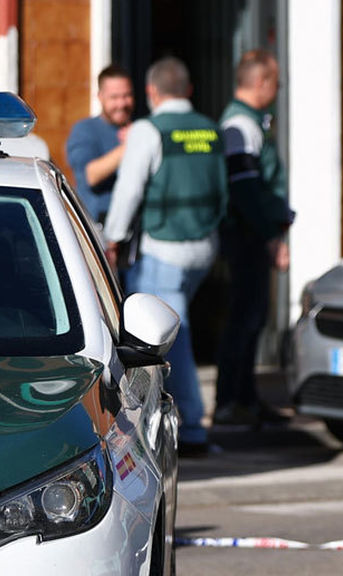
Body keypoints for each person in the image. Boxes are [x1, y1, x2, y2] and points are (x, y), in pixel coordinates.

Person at [104, 57, 228, 457]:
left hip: (164, 249)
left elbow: (129, 191)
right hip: (203, 247)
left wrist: (113, 238)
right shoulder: (211, 129)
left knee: (169, 338)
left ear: (152, 92)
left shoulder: (148, 129)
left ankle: (191, 426)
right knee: (177, 329)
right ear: (188, 90)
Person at [212, 49, 294, 428]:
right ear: (260, 82)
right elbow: (246, 191)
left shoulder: (247, 123)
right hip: (247, 238)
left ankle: (246, 397)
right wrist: (270, 236)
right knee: (244, 318)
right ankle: (231, 401)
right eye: (275, 82)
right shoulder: (241, 127)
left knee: (253, 317)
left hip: (252, 235)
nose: (277, 90)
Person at [65, 65, 134, 226]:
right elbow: (90, 176)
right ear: (100, 97)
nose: (121, 103)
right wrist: (130, 145)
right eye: (114, 97)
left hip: (137, 231)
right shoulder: (85, 130)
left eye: (127, 96)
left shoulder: (141, 128)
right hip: (98, 231)